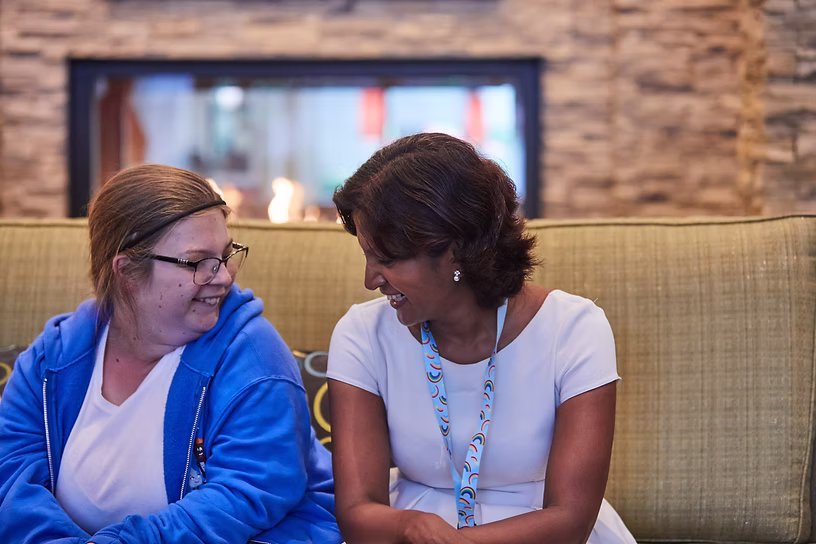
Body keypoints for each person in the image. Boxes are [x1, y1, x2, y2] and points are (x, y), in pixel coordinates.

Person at [0, 164, 342, 544]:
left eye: (227, 255)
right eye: (198, 262)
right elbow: (11, 479)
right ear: (127, 271)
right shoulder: (52, 360)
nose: (225, 276)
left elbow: (247, 494)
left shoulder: (254, 356)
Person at [327, 133, 636, 544]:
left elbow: (570, 519)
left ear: (455, 250)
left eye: (388, 259)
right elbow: (357, 512)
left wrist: (457, 543)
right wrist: (411, 526)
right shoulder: (362, 334)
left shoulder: (574, 329)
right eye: (367, 257)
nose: (370, 280)